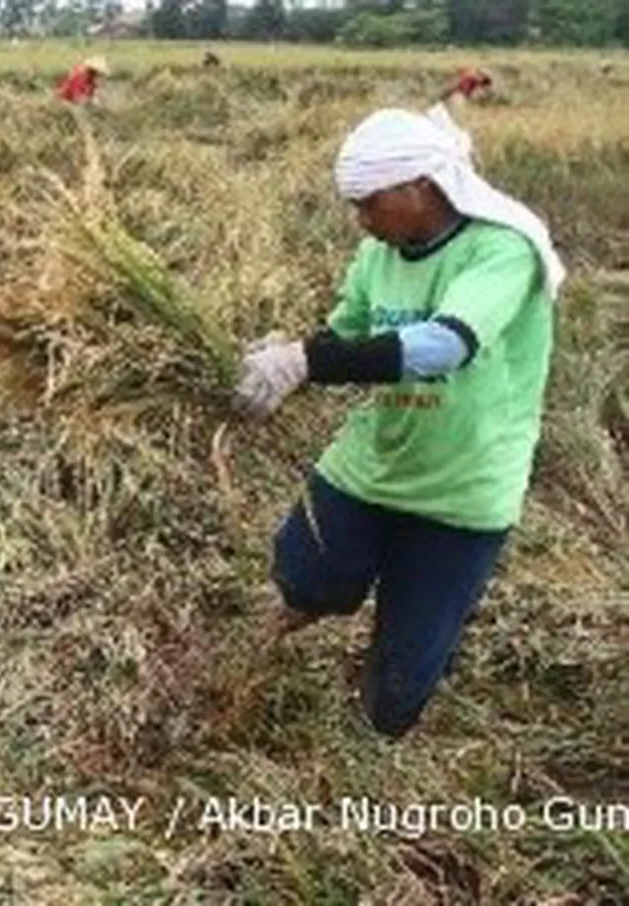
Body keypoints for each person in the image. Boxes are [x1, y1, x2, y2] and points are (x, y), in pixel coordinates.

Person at [229, 106, 566, 740]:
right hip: (371, 465)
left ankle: (372, 740)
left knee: (396, 695)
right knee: (305, 574)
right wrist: (283, 355)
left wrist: (307, 361)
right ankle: (250, 653)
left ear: (421, 187)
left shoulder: (501, 250)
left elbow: (445, 346)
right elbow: (349, 332)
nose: (361, 220)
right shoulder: (376, 253)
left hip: (462, 489)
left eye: (368, 203)